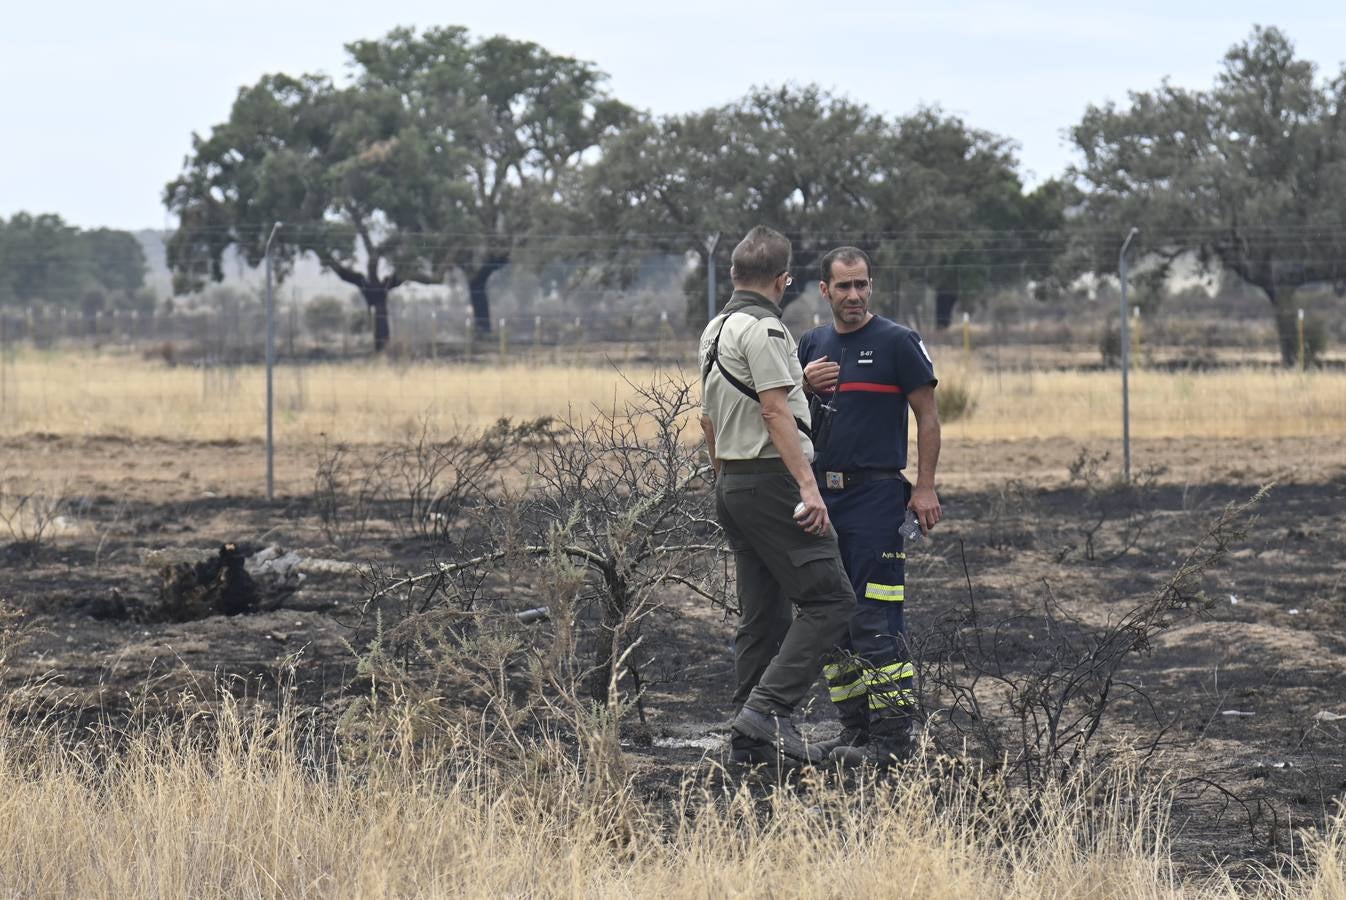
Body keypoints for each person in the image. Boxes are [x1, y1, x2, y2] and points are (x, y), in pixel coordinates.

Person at [699, 225, 856, 767]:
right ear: (784, 280)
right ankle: (769, 711)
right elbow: (772, 410)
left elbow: (709, 419)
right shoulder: (764, 330)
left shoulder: (715, 329)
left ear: (735, 274)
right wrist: (809, 490)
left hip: (734, 482)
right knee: (831, 600)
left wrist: (723, 477)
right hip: (773, 482)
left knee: (763, 614)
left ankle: (749, 739)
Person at [797, 246, 942, 766]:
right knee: (832, 621)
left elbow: (927, 417)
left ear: (871, 286)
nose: (854, 295)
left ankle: (893, 741)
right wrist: (801, 384)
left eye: (862, 285)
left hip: (877, 498)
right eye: (844, 287)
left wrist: (924, 487)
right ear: (825, 291)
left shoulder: (898, 343)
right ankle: (855, 732)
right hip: (821, 499)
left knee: (875, 618)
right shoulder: (811, 344)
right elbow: (785, 414)